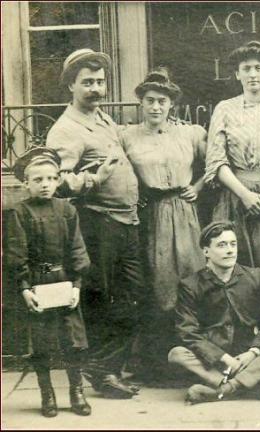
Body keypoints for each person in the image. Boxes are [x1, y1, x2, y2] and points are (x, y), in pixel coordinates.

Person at [46, 48, 143, 398]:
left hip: (126, 221)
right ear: (70, 85)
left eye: (100, 82)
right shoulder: (66, 129)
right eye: (87, 82)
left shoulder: (101, 118)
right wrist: (95, 179)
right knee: (102, 299)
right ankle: (102, 374)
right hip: (98, 224)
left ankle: (108, 369)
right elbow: (56, 182)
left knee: (133, 296)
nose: (96, 88)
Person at [121, 68, 207, 376]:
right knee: (158, 283)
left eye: (162, 101)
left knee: (190, 276)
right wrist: (137, 195)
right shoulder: (127, 136)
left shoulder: (190, 133)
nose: (156, 107)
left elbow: (216, 165)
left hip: (184, 212)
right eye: (149, 101)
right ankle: (157, 361)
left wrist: (196, 187)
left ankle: (193, 355)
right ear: (141, 104)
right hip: (151, 215)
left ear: (172, 104)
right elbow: (120, 173)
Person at [5, 148, 92, 417]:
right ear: (26, 183)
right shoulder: (19, 213)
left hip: (64, 282)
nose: (45, 185)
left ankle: (76, 391)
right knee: (40, 343)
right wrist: (24, 288)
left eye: (50, 179)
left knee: (72, 341)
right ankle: (47, 394)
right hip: (37, 284)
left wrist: (76, 284)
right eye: (38, 180)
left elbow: (77, 249)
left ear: (57, 181)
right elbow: (16, 253)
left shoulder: (67, 210)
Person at [168, 221, 260, 404]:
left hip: (248, 354)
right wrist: (222, 358)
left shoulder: (255, 277)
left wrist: (254, 352)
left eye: (233, 244)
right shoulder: (191, 285)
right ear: (206, 251)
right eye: (222, 245)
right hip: (213, 357)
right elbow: (188, 331)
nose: (230, 250)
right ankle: (246, 384)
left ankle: (223, 389)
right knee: (176, 354)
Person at [204, 41, 260, 294]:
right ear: (237, 74)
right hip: (234, 195)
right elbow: (216, 159)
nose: (253, 74)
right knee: (233, 259)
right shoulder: (225, 108)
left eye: (258, 68)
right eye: (246, 68)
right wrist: (245, 195)